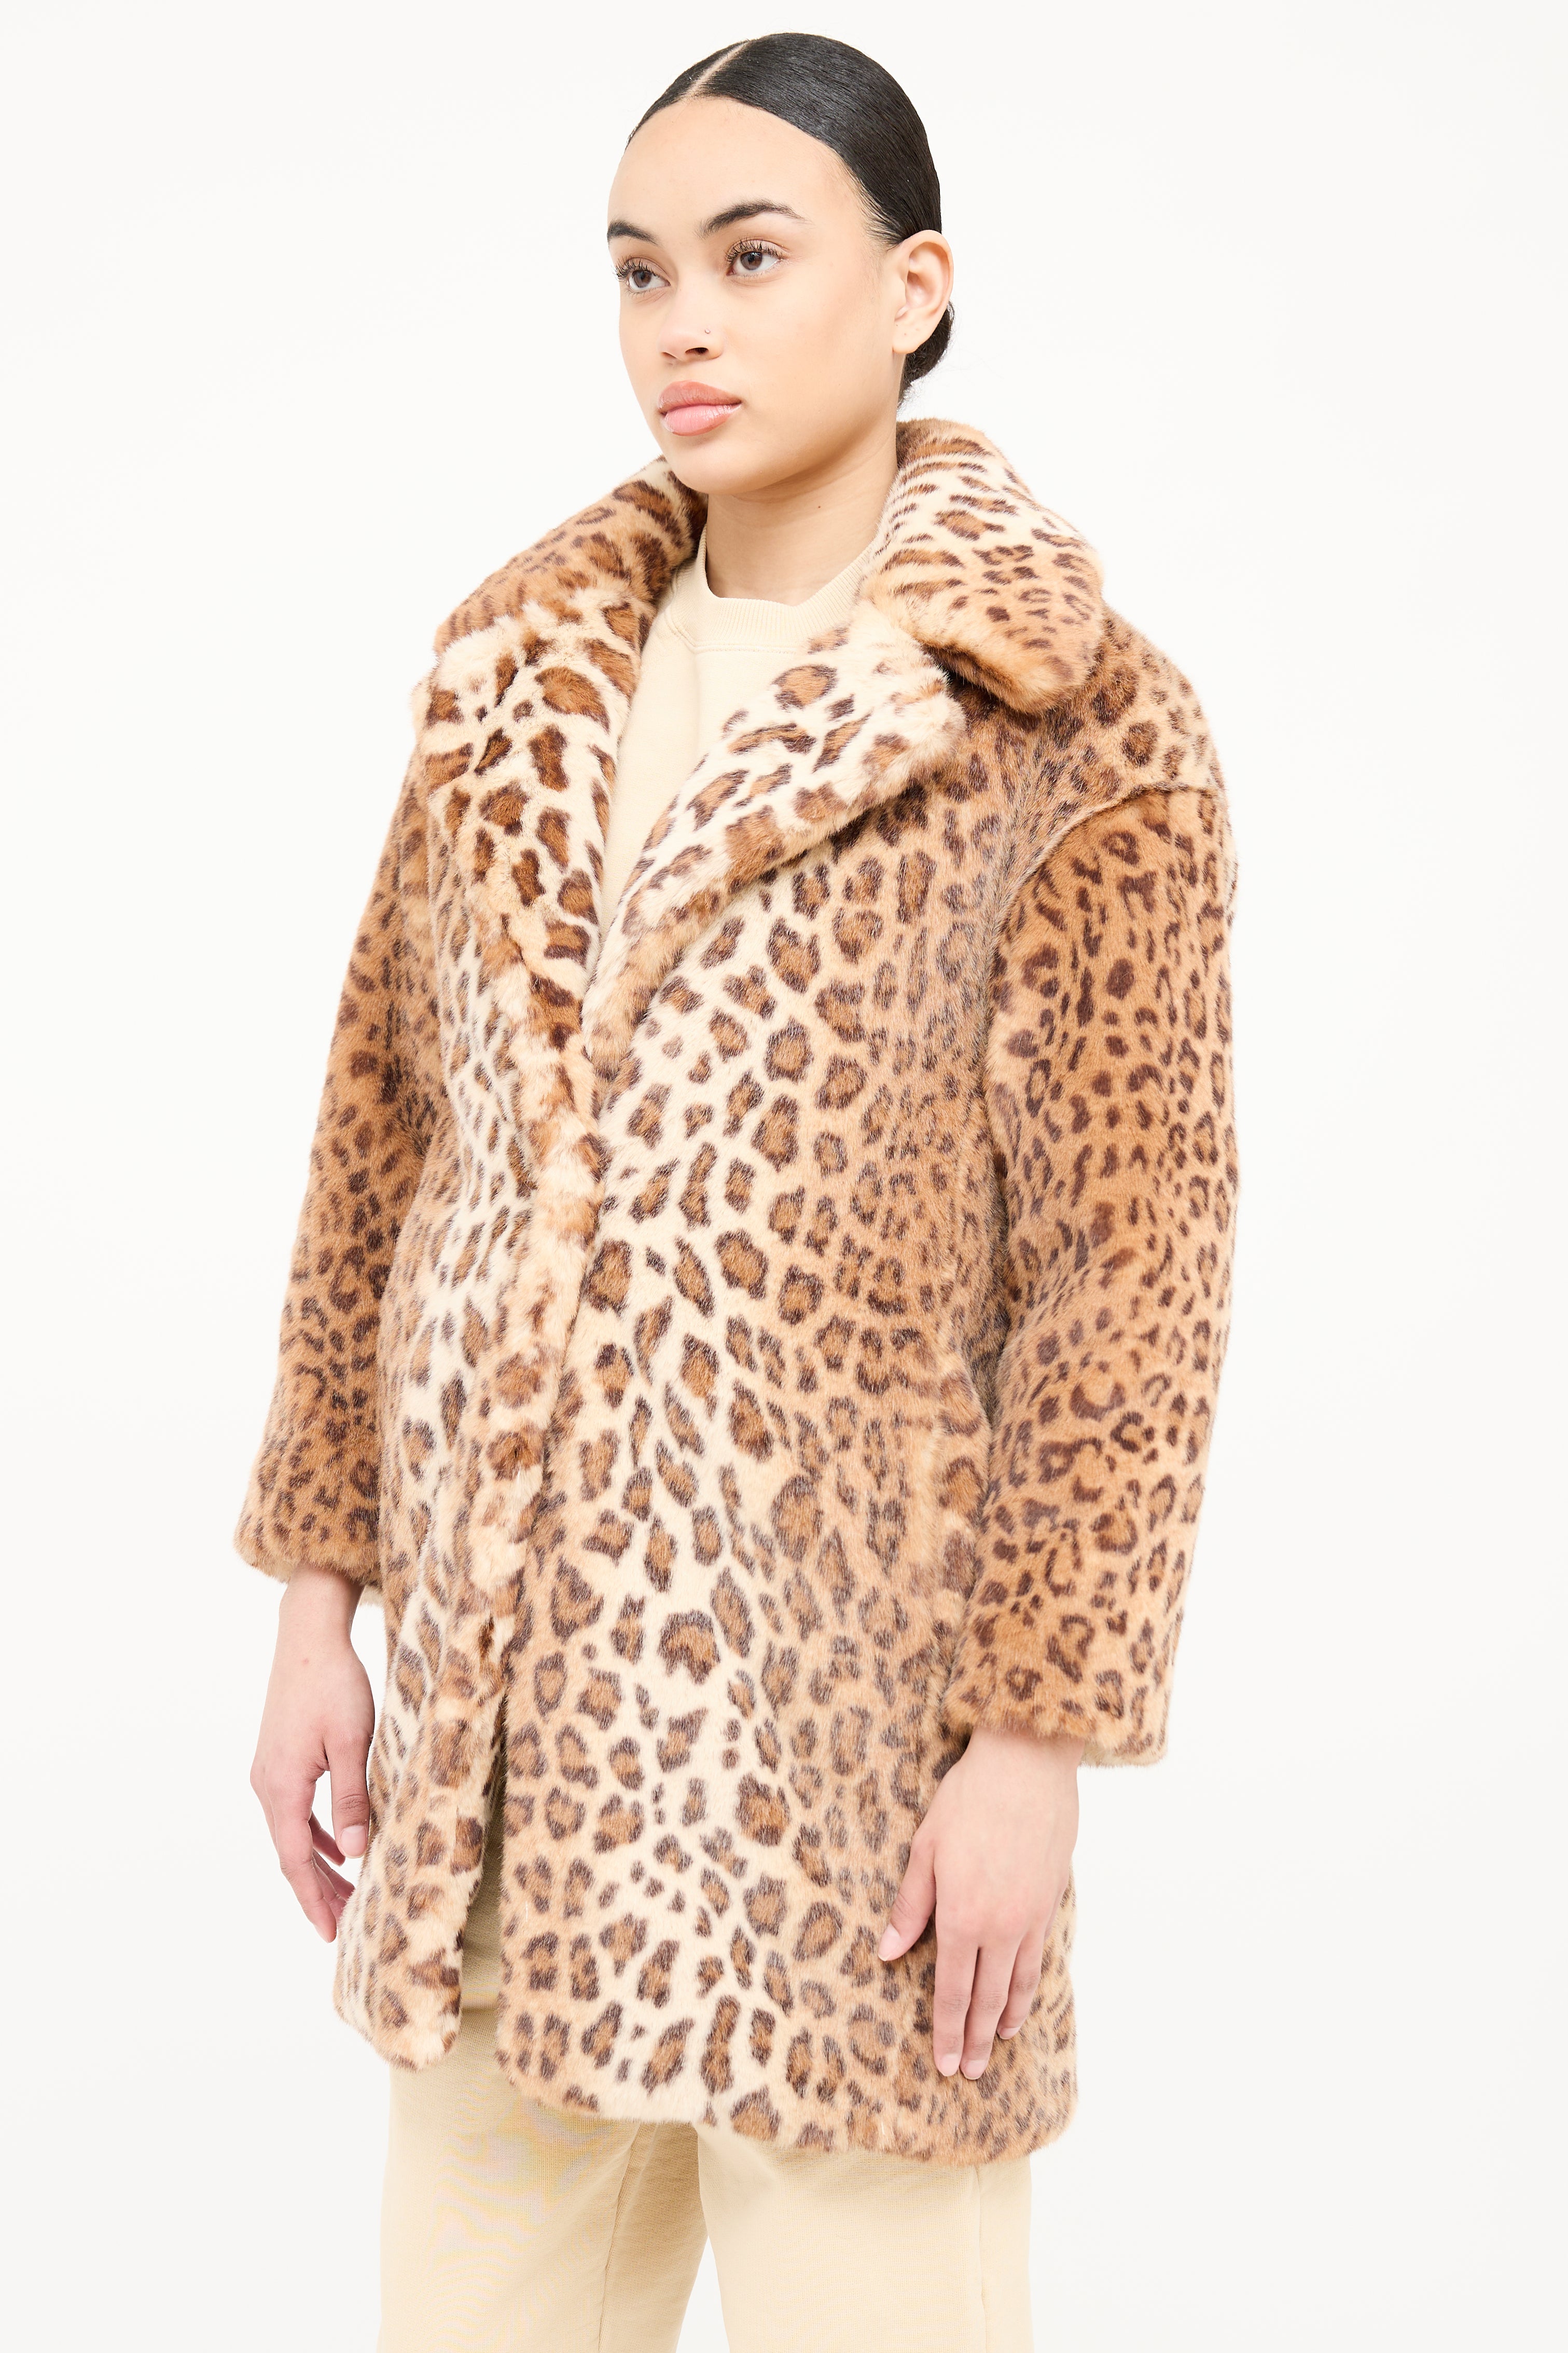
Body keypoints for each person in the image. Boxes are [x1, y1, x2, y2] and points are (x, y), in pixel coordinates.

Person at [238, 31, 1238, 2352]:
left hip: (847, 1773)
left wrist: (1035, 1749)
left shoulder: (1071, 722)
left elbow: (1132, 1276)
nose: (681, 323)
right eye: (637, 270)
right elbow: (378, 1142)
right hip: (499, 1761)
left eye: (751, 258)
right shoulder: (512, 682)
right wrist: (316, 1602)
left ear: (915, 287)